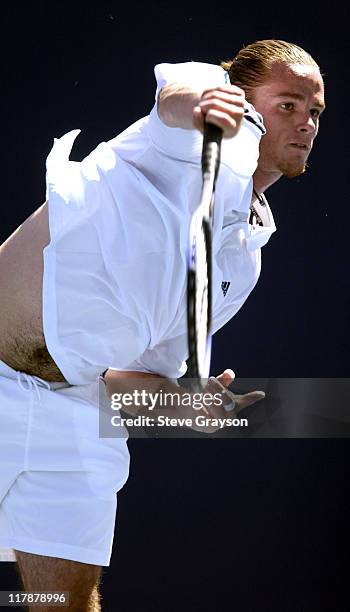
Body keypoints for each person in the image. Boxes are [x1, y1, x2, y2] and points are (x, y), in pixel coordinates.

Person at [0, 39, 325, 611]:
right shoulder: (192, 135)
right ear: (244, 102)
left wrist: (186, 407)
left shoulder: (243, 262)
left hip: (73, 409)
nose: (305, 124)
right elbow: (179, 95)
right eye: (287, 105)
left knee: (60, 604)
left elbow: (125, 384)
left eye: (314, 112)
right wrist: (207, 107)